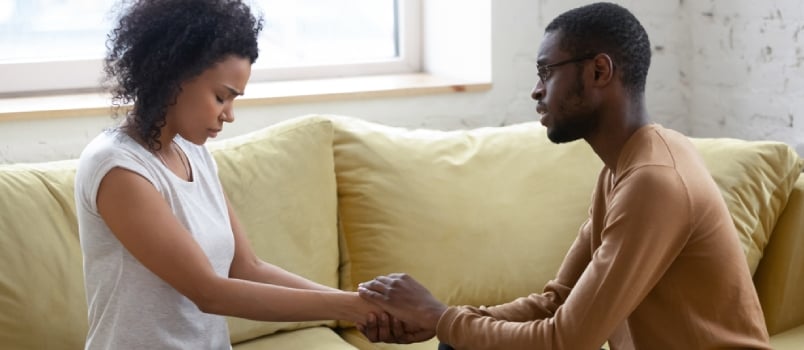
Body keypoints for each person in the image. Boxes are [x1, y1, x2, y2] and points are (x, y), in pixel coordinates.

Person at [357, 3, 772, 349]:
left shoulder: (654, 181)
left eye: (546, 72)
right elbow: (557, 303)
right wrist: (445, 321)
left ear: (598, 72)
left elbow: (568, 340)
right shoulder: (621, 173)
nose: (537, 91)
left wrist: (444, 319)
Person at [74, 0, 382, 348]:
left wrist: (358, 306)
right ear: (172, 75)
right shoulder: (119, 169)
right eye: (222, 97)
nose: (229, 115)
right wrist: (354, 306)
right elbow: (210, 292)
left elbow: (247, 267)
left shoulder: (193, 152)